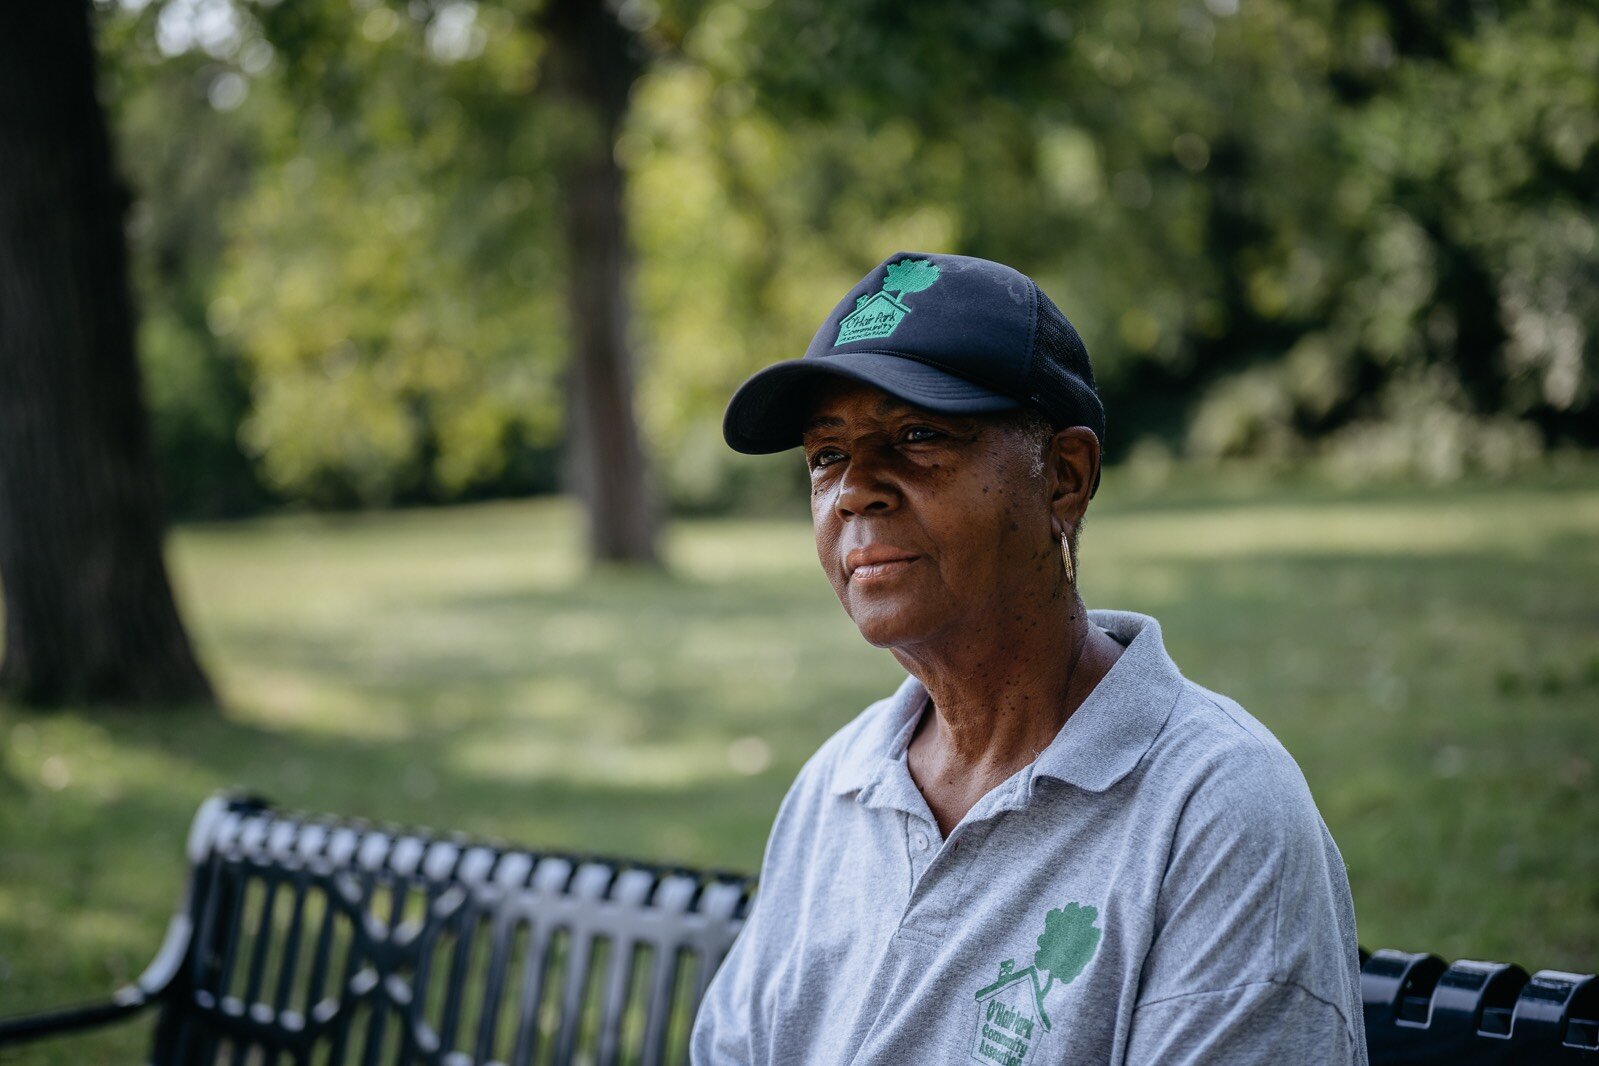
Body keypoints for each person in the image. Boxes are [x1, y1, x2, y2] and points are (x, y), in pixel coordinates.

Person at [690, 252, 1368, 1065]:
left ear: (1065, 478)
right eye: (826, 454)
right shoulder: (837, 785)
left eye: (916, 435)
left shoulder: (1214, 810)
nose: (853, 490)